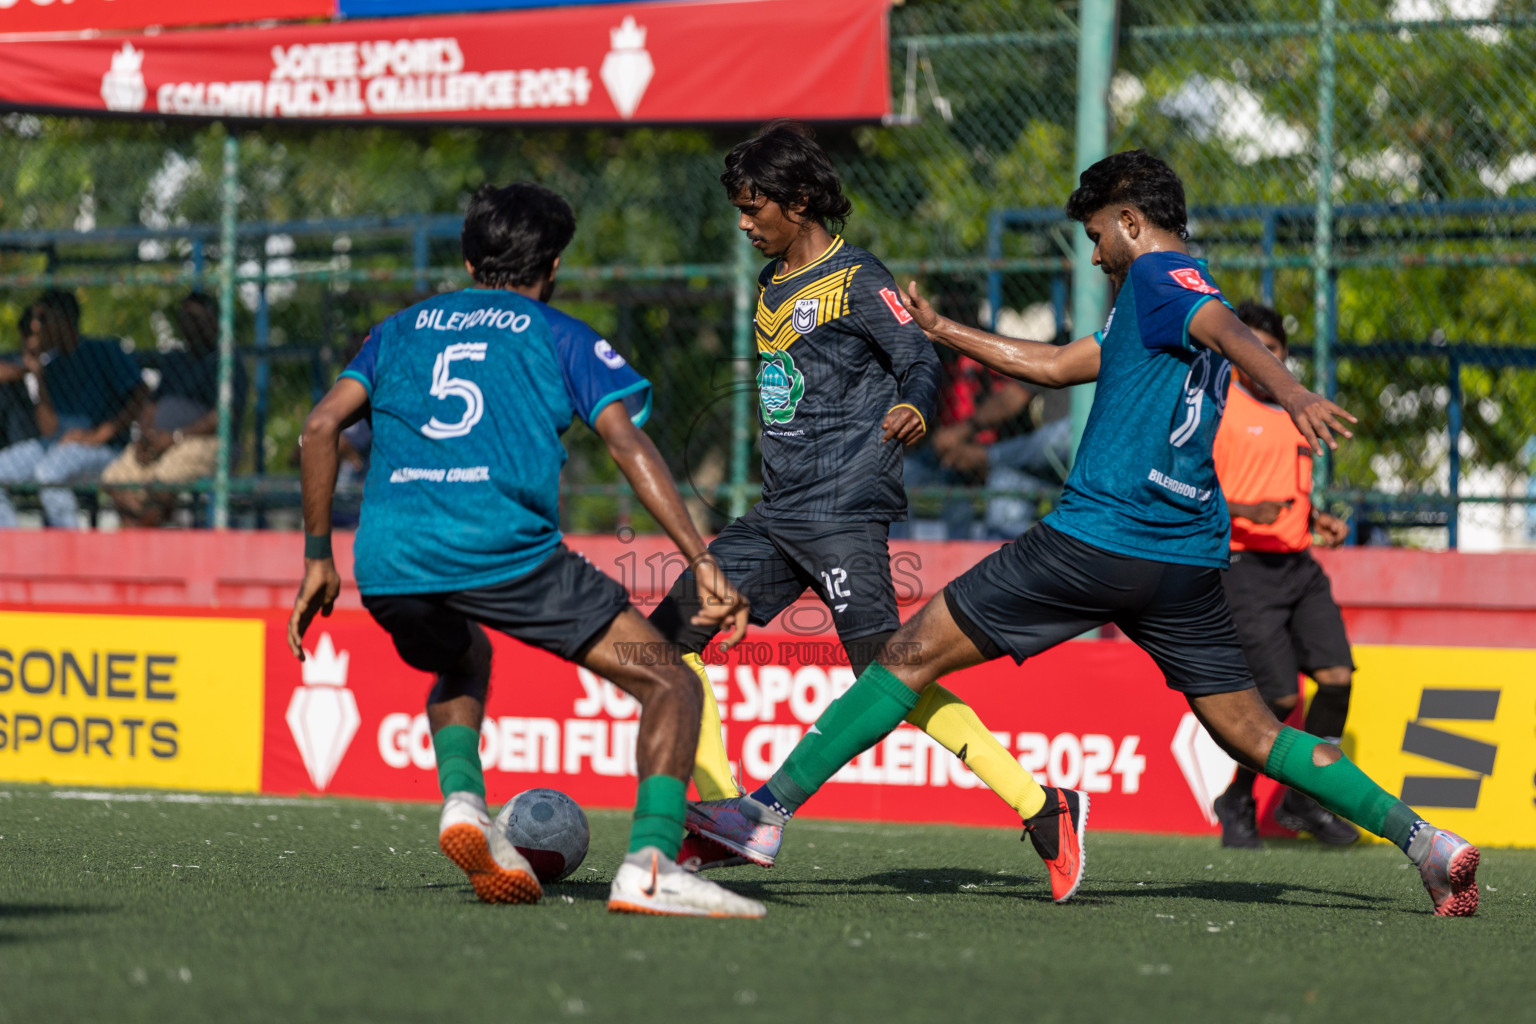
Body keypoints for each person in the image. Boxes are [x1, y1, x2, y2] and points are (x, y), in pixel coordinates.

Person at [687, 150, 1481, 916]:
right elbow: (1058, 365)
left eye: (1098, 235)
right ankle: (1429, 843)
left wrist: (1289, 389)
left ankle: (763, 812)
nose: (1097, 254)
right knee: (1255, 733)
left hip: (1097, 539)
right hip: (1184, 561)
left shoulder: (1162, 279)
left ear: (1131, 222)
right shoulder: (1169, 291)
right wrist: (942, 329)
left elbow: (1229, 336)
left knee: (905, 656)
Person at [287, 182, 764, 918]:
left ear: (469, 259)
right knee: (670, 683)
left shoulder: (397, 329)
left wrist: (319, 556)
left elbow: (317, 431)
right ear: (555, 265)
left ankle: (465, 805)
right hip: (503, 548)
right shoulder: (558, 333)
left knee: (461, 654)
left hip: (385, 559)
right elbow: (625, 442)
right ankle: (651, 866)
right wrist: (702, 560)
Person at [646, 122, 1055, 871]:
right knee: (671, 635)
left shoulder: (859, 278)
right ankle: (728, 808)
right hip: (777, 514)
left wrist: (917, 407)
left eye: (753, 207)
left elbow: (918, 360)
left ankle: (1039, 804)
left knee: (890, 673)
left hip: (843, 513)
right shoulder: (772, 285)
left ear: (799, 203)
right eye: (739, 208)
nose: (743, 223)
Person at [1209, 300, 1359, 847]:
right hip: (1244, 567)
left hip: (1300, 567)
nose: (1260, 357)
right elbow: (1187, 494)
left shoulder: (1299, 412)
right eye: (1250, 347)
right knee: (1276, 699)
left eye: (1270, 350)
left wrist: (1316, 519)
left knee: (1337, 680)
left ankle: (1303, 798)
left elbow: (1289, 495)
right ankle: (1238, 798)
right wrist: (1248, 513)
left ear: (1284, 356)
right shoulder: (1218, 406)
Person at [0, 290, 145, 528]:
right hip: (58, 445)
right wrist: (37, 376)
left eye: (43, 319)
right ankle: (10, 549)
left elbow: (141, 394)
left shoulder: (104, 350)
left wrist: (101, 434)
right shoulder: (50, 365)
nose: (35, 327)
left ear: (63, 320)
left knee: (49, 473)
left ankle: (67, 548)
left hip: (105, 449)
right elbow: (49, 431)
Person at [102, 292, 248, 526]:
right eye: (185, 318)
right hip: (160, 441)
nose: (190, 325)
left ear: (215, 321)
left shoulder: (226, 360)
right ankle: (138, 538)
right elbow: (152, 404)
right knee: (115, 479)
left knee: (162, 482)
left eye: (197, 318)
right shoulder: (175, 360)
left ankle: (154, 540)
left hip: (206, 442)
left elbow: (223, 417)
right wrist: (145, 437)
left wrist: (175, 438)